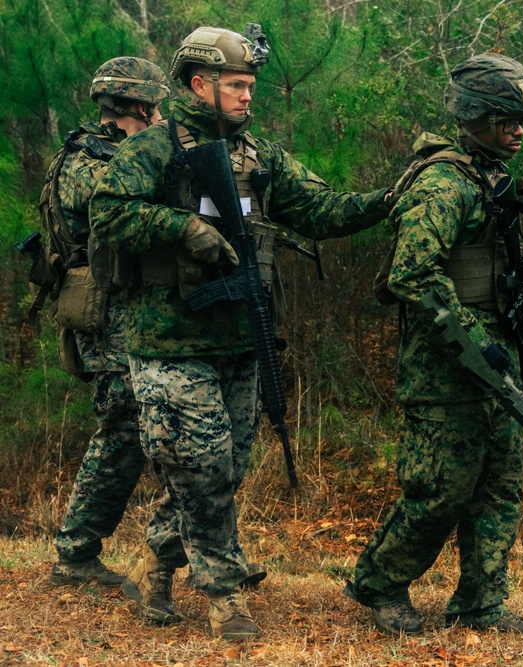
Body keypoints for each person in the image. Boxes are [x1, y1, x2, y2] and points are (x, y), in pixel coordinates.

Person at [90, 24, 393, 640]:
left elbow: (320, 209)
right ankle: (225, 595)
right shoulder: (152, 149)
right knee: (200, 465)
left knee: (222, 469)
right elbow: (108, 211)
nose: (247, 96)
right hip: (169, 342)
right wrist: (182, 229)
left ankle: (158, 558)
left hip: (240, 340)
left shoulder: (260, 155)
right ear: (200, 85)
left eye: (250, 85)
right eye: (235, 84)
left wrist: (389, 200)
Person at [343, 53, 523, 635]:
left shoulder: (492, 180)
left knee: (499, 487)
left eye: (522, 119)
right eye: (506, 118)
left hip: (495, 361)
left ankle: (481, 601)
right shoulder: (442, 184)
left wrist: (522, 344)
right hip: (443, 369)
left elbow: (496, 270)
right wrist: (477, 342)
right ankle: (380, 584)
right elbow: (412, 275)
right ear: (477, 117)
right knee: (439, 489)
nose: (517, 129)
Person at [46, 57, 169, 588]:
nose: (163, 116)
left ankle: (175, 548)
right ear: (139, 106)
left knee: (137, 430)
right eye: (158, 107)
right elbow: (122, 217)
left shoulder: (108, 155)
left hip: (123, 310)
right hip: (105, 314)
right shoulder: (89, 161)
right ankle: (76, 553)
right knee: (124, 428)